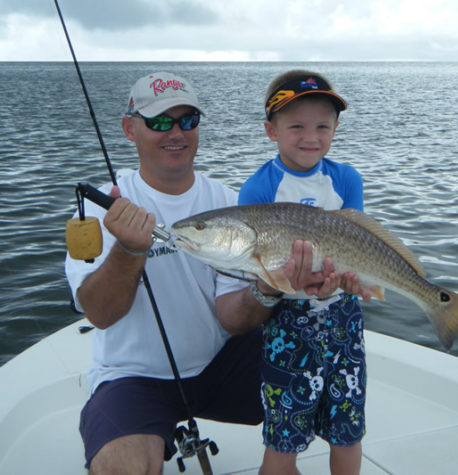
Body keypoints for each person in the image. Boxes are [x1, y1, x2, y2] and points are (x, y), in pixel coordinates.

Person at [65, 71, 352, 474]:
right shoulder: (104, 206)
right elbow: (100, 314)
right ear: (130, 129)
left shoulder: (229, 202)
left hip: (222, 364)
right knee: (119, 467)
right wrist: (130, 250)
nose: (176, 133)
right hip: (134, 378)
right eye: (160, 121)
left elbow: (232, 319)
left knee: (332, 385)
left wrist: (268, 288)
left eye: (188, 120)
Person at [238, 70, 368, 475]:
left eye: (322, 126)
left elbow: (360, 245)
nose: (310, 136)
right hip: (287, 326)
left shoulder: (346, 178)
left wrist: (353, 280)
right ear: (270, 130)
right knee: (284, 436)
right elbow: (255, 268)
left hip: (344, 319)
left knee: (348, 431)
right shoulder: (258, 191)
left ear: (335, 129)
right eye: (296, 125)